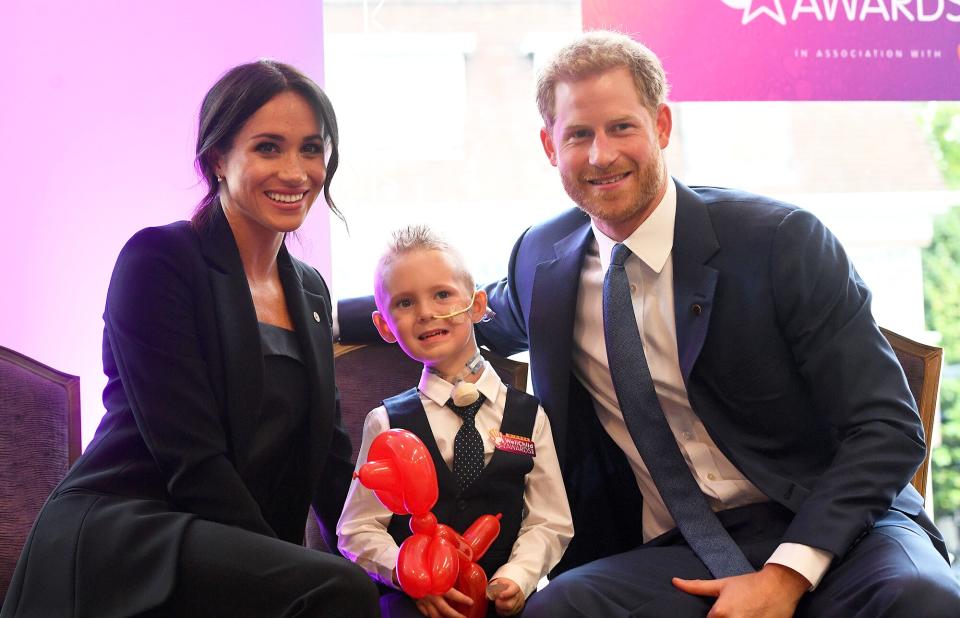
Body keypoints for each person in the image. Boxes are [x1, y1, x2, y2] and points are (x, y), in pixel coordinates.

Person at [340, 31, 960, 616]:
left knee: (920, 600)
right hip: (675, 549)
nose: (601, 154)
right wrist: (299, 307)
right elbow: (458, 309)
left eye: (621, 127)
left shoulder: (780, 242)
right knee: (558, 610)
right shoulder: (543, 261)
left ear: (661, 126)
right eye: (578, 134)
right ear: (550, 147)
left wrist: (786, 575)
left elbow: (888, 426)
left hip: (830, 524)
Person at [1, 60, 379, 617]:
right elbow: (191, 460)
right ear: (217, 159)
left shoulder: (312, 292)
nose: (296, 171)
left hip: (225, 540)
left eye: (311, 148)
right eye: (269, 148)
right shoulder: (159, 260)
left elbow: (329, 461)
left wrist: (394, 562)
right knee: (335, 592)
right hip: (132, 533)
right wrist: (291, 566)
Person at [337, 225, 573, 618]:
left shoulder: (529, 416)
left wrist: (518, 576)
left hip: (504, 601)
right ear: (384, 327)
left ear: (477, 305)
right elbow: (358, 529)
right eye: (405, 303)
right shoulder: (386, 422)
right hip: (416, 604)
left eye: (442, 294)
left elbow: (550, 521)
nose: (427, 313)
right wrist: (410, 575)